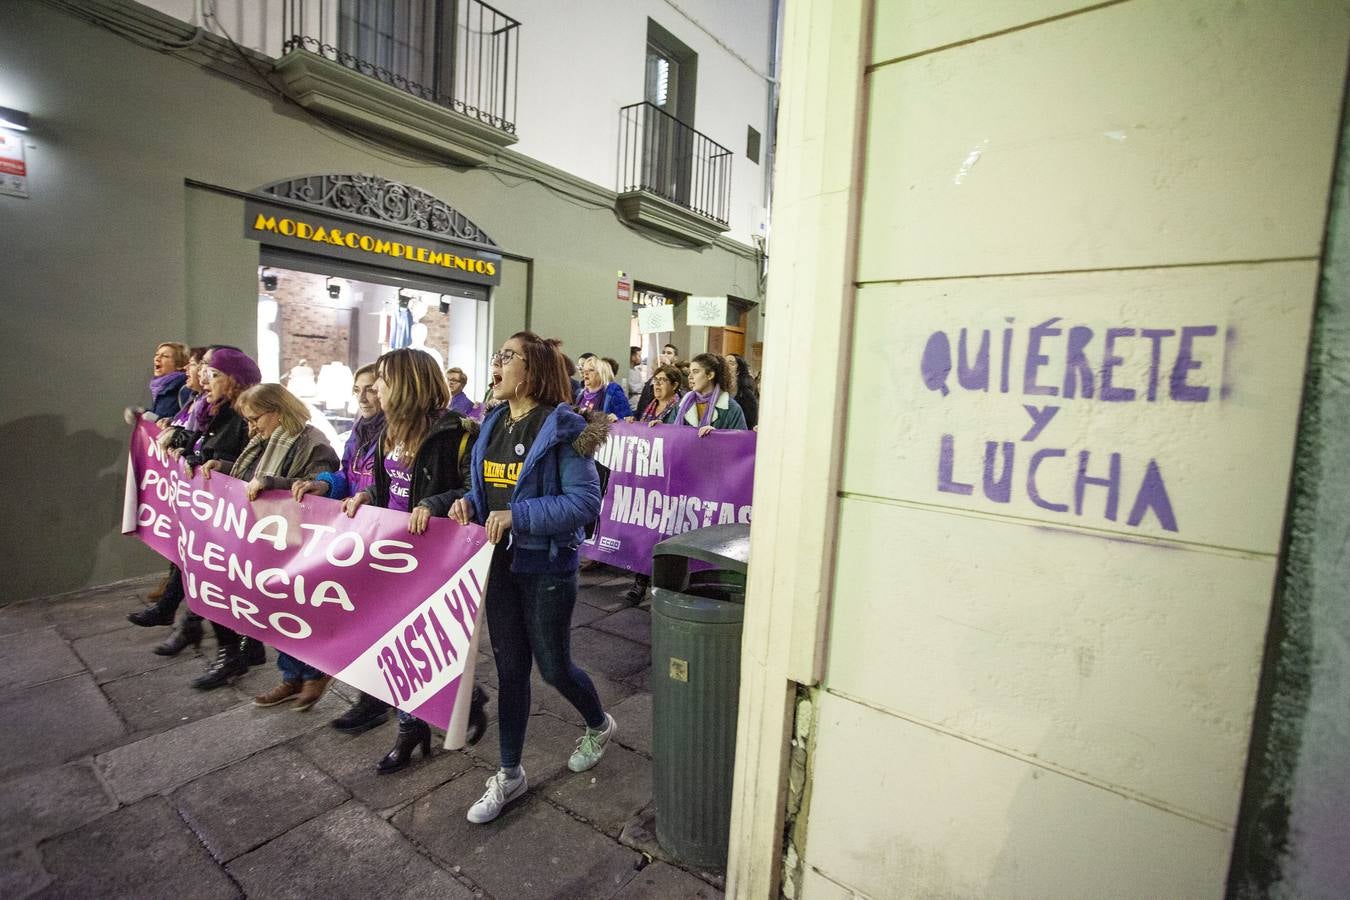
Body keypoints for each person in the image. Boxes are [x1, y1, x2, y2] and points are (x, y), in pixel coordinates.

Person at [450, 331, 616, 824]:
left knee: (554, 667)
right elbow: (483, 489)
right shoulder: (493, 421)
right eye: (496, 355)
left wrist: (518, 516)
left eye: (507, 357)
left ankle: (598, 723)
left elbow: (584, 504)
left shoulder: (564, 428)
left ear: (534, 370)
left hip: (546, 568)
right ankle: (509, 773)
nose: (495, 364)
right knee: (509, 671)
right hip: (499, 566)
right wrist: (467, 503)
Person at [339, 348, 486, 767]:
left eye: (382, 380)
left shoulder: (457, 432)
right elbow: (390, 491)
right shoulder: (387, 432)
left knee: (424, 644)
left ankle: (464, 698)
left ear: (403, 384)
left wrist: (436, 503)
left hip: (436, 559)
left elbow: (476, 494)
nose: (375, 390)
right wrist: (369, 496)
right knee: (394, 644)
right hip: (395, 554)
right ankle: (411, 728)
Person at [193, 382, 341, 704]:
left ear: (277, 411)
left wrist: (274, 483)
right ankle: (290, 676)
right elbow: (255, 478)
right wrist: (226, 468)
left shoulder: (312, 442)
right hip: (266, 538)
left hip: (296, 541)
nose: (251, 426)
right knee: (275, 609)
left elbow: (316, 487)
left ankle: (314, 674)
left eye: (255, 418)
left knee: (297, 611)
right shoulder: (264, 440)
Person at [173, 348, 267, 686]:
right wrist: (188, 454)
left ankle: (232, 654)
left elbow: (254, 464)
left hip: (238, 519)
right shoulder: (215, 412)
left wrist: (221, 467)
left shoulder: (247, 416)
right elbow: (203, 448)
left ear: (234, 380)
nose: (204, 379)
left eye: (213, 374)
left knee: (223, 585)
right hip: (217, 517)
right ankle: (244, 648)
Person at [622, 363, 685, 604]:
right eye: (654, 380)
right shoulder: (648, 406)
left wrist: (666, 430)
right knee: (645, 529)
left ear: (675, 385)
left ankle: (662, 585)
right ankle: (640, 581)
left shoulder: (681, 408)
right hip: (647, 476)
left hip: (671, 476)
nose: (656, 384)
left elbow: (684, 435)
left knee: (664, 532)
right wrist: (632, 423)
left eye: (662, 380)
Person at [673, 353, 747, 435]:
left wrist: (716, 435)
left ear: (710, 375)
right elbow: (670, 434)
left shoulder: (732, 408)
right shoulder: (682, 403)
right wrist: (659, 426)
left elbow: (739, 440)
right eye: (690, 372)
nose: (690, 376)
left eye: (695, 372)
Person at [574, 357, 633, 421]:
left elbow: (627, 419)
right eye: (584, 370)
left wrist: (617, 418)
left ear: (601, 374)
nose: (585, 373)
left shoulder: (613, 392)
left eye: (591, 370)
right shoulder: (581, 393)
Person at [635, 343, 679, 415]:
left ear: (675, 358)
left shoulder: (678, 377)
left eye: (669, 353)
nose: (665, 355)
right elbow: (642, 404)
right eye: (663, 352)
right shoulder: (650, 381)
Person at [726, 353, 759, 430]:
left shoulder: (747, 396)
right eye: (724, 362)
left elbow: (750, 426)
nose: (725, 365)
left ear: (738, 371)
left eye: (731, 363)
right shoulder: (715, 392)